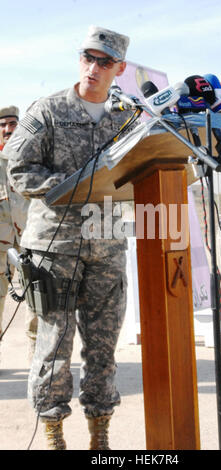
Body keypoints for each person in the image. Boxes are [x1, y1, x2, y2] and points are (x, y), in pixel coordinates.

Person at [6, 25, 136, 450]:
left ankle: (100, 438)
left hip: (108, 245)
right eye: (87, 56)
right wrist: (74, 184)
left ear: (118, 68)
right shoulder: (46, 110)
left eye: (104, 61)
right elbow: (19, 170)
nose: (92, 68)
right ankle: (53, 436)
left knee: (103, 347)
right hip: (54, 249)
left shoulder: (128, 118)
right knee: (53, 344)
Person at [0, 107, 32, 359]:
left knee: (37, 299)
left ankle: (39, 360)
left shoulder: (29, 158)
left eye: (12, 123)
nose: (7, 129)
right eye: (2, 125)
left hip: (29, 241)